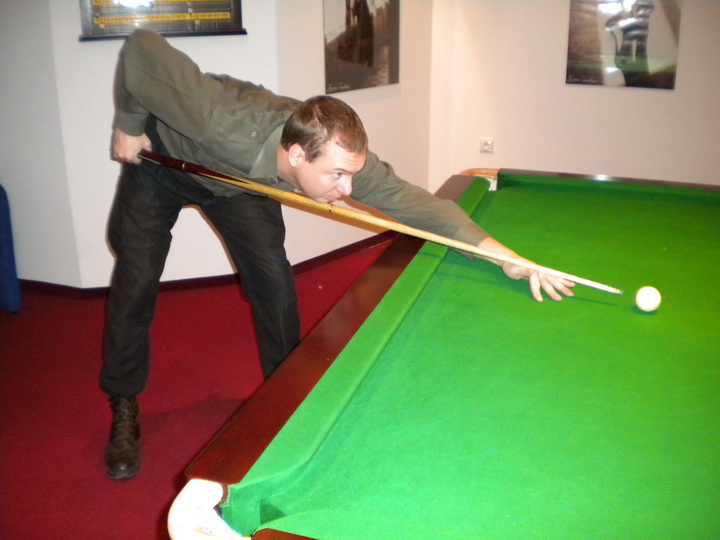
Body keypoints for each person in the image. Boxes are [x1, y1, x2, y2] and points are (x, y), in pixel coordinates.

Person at [103, 29, 574, 480]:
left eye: (352, 175)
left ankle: (284, 399)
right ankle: (123, 401)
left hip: (239, 188)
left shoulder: (336, 156)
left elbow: (418, 205)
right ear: (296, 157)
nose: (347, 190)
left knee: (273, 282)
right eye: (336, 176)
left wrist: (503, 256)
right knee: (136, 279)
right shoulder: (218, 120)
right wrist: (129, 124)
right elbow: (143, 48)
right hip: (163, 164)